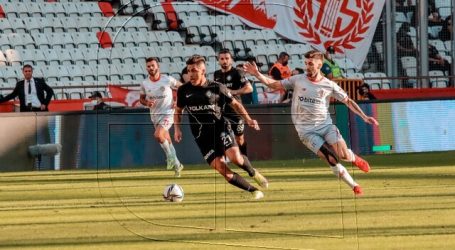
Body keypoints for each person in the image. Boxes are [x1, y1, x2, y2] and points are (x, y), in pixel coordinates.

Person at [244, 50, 379, 196]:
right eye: (306, 63)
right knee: (331, 158)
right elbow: (274, 85)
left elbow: (348, 101)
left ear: (319, 65)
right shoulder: (297, 80)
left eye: (311, 64)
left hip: (326, 126)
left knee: (343, 155)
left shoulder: (329, 85)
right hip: (306, 131)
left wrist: (364, 116)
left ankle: (353, 158)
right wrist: (257, 74)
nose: (307, 67)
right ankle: (354, 185)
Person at [174, 55, 268, 200]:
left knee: (235, 157)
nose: (190, 74)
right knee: (221, 168)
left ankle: (252, 172)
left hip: (220, 128)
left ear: (203, 70)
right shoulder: (183, 90)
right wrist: (177, 129)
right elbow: (178, 111)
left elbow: (235, 104)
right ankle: (254, 191)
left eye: (194, 70)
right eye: (188, 70)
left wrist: (248, 119)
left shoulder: (217, 87)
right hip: (201, 136)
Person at [139, 57, 184, 177]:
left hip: (168, 112)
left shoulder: (167, 79)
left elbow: (182, 88)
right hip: (155, 115)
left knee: (158, 135)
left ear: (158, 66)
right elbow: (142, 99)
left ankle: (169, 157)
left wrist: (177, 101)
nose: (151, 68)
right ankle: (177, 165)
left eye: (153, 65)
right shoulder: (144, 83)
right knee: (167, 141)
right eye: (148, 66)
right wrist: (147, 103)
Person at [214, 49, 253, 157]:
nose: (224, 61)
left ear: (231, 60)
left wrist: (234, 92)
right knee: (222, 135)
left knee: (239, 138)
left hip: (235, 111)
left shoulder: (237, 73)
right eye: (222, 59)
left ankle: (245, 158)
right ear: (218, 61)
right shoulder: (216, 74)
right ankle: (225, 158)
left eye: (227, 58)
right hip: (221, 111)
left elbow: (249, 88)